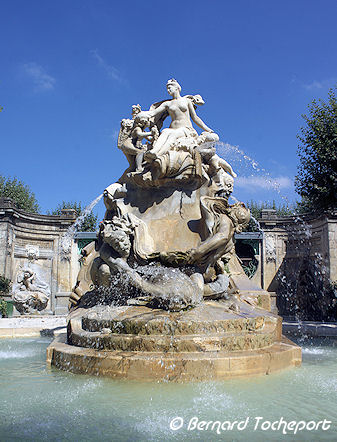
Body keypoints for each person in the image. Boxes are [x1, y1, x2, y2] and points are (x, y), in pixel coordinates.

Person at [138, 79, 215, 160]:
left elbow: (195, 118)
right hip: (172, 128)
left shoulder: (186, 101)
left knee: (173, 135)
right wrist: (141, 114)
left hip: (186, 129)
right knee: (165, 132)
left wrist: (208, 129)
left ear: (176, 88)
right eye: (167, 89)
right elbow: (153, 113)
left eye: (169, 88)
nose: (168, 90)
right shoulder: (167, 104)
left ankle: (159, 154)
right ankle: (154, 151)